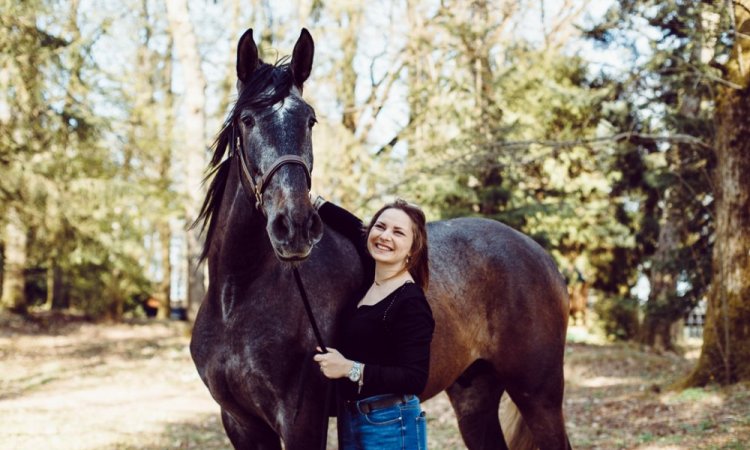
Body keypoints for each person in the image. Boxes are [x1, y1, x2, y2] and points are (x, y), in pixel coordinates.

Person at [313, 198, 435, 450]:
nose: (385, 236)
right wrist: (311, 200)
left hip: (391, 423)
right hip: (352, 420)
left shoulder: (411, 302)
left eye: (398, 232)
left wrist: (350, 368)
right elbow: (354, 227)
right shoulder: (372, 277)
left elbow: (415, 378)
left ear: (413, 248)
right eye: (380, 227)